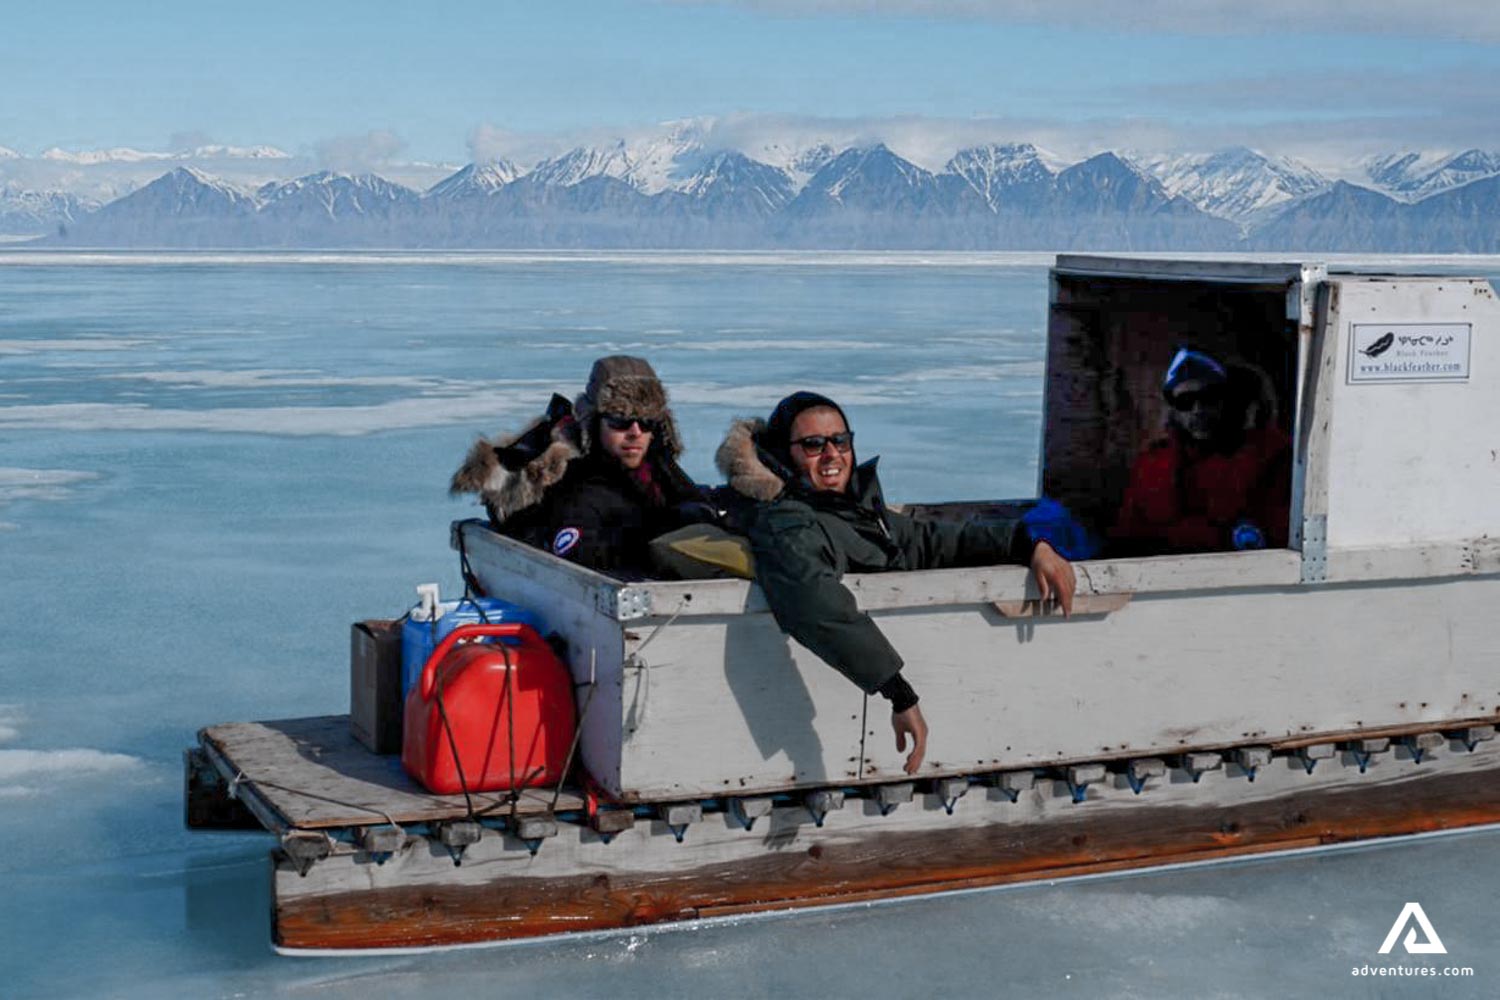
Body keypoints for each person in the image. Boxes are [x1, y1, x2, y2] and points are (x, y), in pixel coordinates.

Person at [715, 391, 1076, 775]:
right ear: (781, 455)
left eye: (840, 441)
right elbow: (815, 603)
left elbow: (930, 541)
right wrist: (898, 693)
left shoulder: (852, 512)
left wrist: (1029, 545)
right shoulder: (788, 523)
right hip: (828, 743)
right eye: (813, 444)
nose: (832, 454)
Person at [450, 355, 711, 578]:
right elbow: (579, 550)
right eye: (620, 421)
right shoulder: (573, 483)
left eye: (647, 423)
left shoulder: (656, 470)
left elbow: (693, 501)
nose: (635, 432)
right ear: (594, 424)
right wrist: (657, 531)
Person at [1112, 348, 1292, 556]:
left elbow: (1279, 533)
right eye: (1185, 402)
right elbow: (1127, 535)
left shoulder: (1267, 456)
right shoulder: (1151, 465)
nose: (1198, 410)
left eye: (1209, 398)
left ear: (1227, 401)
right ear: (1173, 409)